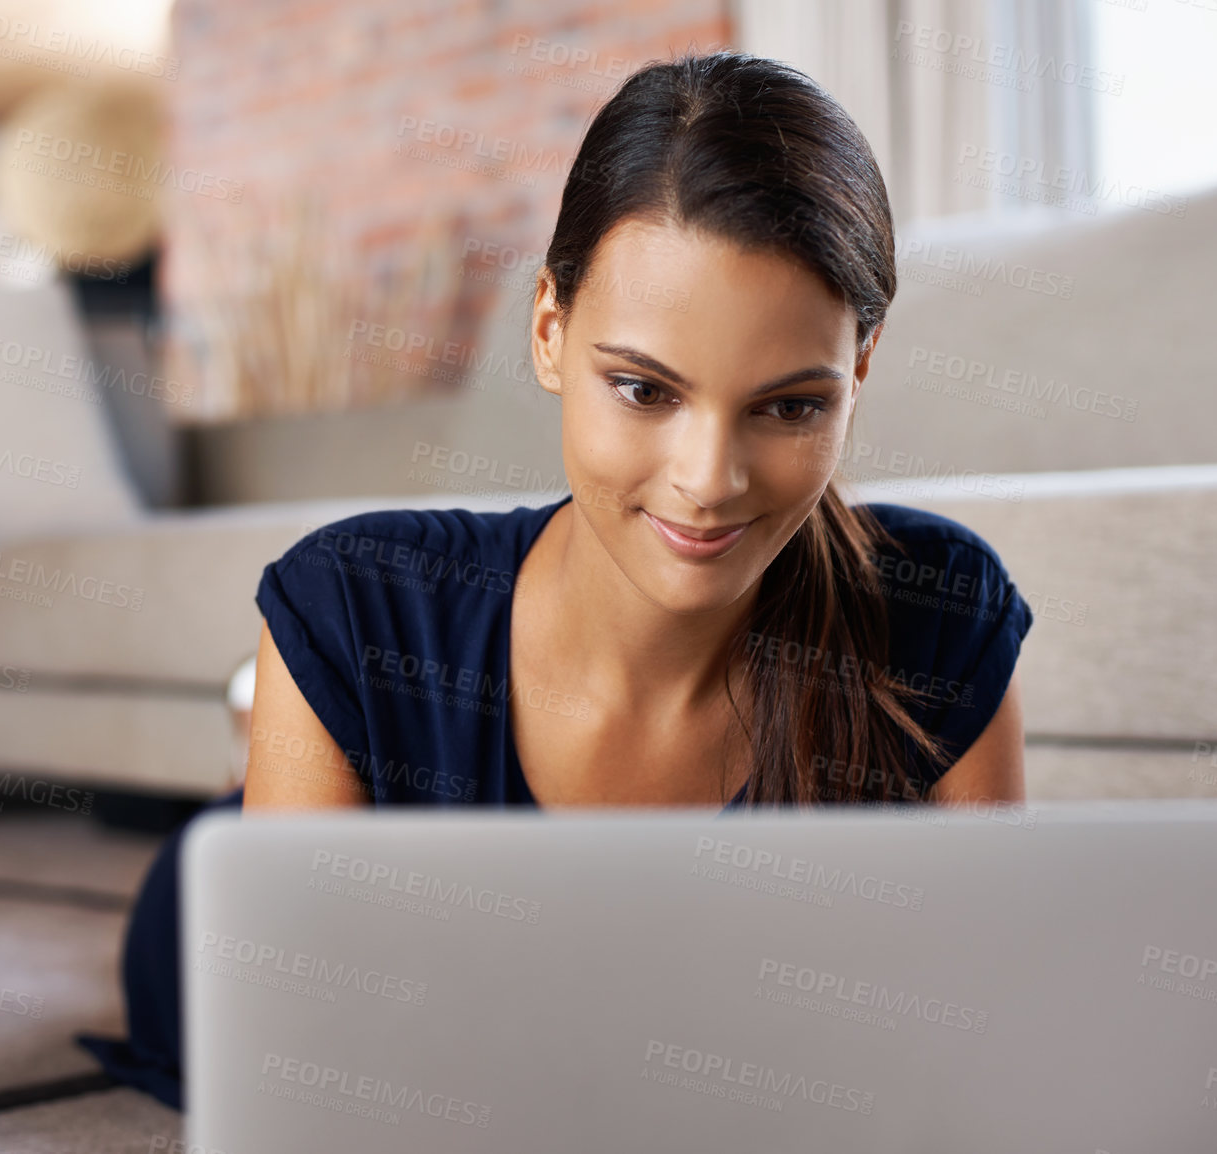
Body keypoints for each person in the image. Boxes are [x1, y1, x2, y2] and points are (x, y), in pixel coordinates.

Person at [78, 49, 1033, 1111]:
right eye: (641, 388)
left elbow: (976, 1034)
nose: (707, 481)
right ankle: (264, 765)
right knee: (247, 893)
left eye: (789, 406)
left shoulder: (941, 609)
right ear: (547, 330)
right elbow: (314, 1083)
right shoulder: (351, 603)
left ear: (857, 369)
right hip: (206, 923)